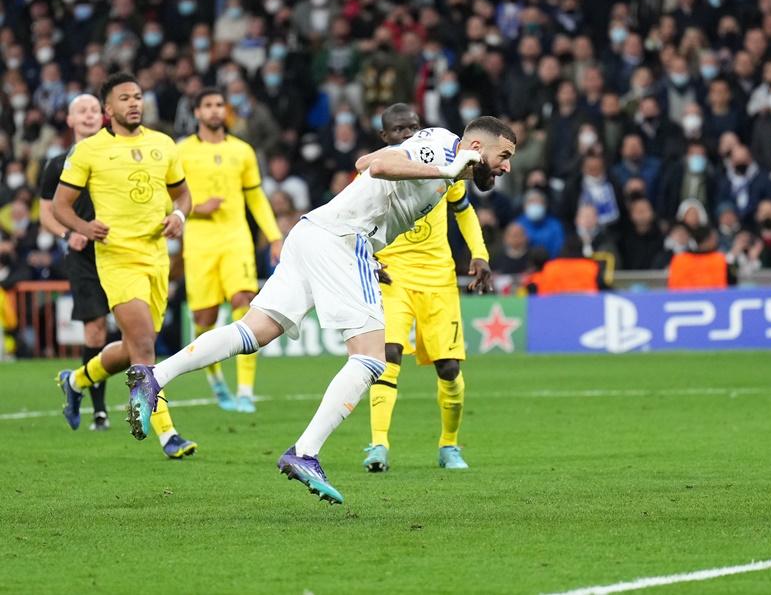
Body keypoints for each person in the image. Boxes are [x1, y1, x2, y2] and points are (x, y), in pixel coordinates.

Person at [126, 118, 515, 504]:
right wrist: (445, 168)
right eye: (504, 155)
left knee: (253, 332)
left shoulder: (446, 166)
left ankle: (155, 375)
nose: (507, 166)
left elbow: (364, 162)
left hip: (315, 233)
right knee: (370, 359)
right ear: (477, 149)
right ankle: (305, 451)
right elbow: (375, 166)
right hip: (343, 240)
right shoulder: (444, 150)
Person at [52, 73, 198, 459]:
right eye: (124, 98)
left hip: (156, 257)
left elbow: (183, 195)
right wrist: (84, 227)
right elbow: (59, 206)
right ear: (108, 109)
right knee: (146, 346)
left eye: (137, 97)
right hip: (117, 257)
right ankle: (167, 434)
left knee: (132, 345)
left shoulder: (162, 144)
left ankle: (77, 380)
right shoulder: (89, 151)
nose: (134, 103)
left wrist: (179, 217)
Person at [364, 104, 493, 474]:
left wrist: (480, 254)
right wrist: (369, 261)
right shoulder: (380, 172)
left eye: (414, 127)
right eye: (399, 130)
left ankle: (449, 445)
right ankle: (378, 444)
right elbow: (352, 220)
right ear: (384, 138)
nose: (408, 135)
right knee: (387, 355)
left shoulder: (442, 168)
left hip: (438, 276)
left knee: (449, 367)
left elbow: (464, 210)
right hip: (394, 275)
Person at [178, 87, 283, 412]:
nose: (214, 111)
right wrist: (196, 207)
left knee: (243, 302)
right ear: (196, 112)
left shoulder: (243, 151)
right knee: (204, 318)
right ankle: (216, 380)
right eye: (207, 105)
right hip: (199, 242)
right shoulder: (180, 151)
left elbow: (255, 196)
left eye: (218, 105)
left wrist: (275, 236)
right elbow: (168, 198)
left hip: (236, 238)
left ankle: (246, 391)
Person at [38, 94, 109, 430]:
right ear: (69, 120)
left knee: (135, 332)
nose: (89, 115)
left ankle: (78, 381)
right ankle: (99, 410)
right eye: (81, 110)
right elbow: (46, 214)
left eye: (95, 109)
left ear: (104, 116)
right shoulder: (56, 164)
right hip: (83, 256)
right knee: (95, 330)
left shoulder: (116, 154)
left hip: (120, 251)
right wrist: (69, 236)